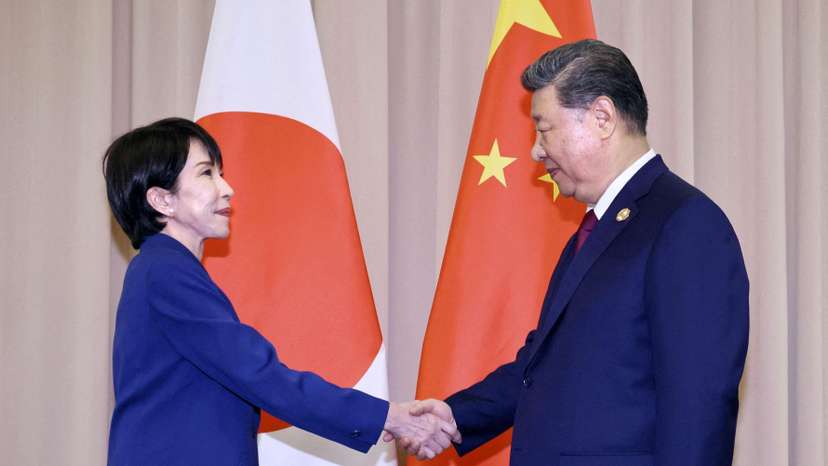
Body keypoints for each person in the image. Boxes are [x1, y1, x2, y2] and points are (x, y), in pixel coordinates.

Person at [410, 39, 749, 465]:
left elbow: (700, 404)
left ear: (602, 117)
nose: (535, 149)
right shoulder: (594, 232)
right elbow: (542, 368)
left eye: (544, 128)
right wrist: (456, 416)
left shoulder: (684, 224)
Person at [103, 117, 459, 465]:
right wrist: (388, 417)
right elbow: (259, 374)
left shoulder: (162, 269)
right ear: (162, 201)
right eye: (206, 173)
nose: (227, 188)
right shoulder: (166, 271)